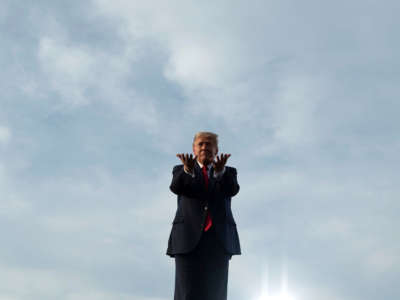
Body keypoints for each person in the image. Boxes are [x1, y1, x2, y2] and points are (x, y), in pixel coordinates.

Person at [167, 131, 241, 300]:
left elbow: (232, 189)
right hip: (187, 240)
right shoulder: (181, 170)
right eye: (200, 144)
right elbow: (176, 187)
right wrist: (187, 170)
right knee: (186, 293)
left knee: (216, 294)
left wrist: (220, 173)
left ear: (216, 150)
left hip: (218, 241)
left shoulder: (228, 172)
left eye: (209, 144)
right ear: (194, 149)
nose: (205, 147)